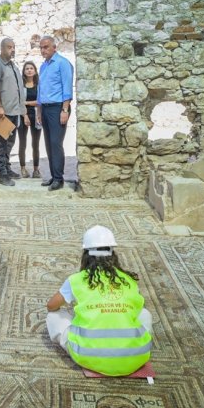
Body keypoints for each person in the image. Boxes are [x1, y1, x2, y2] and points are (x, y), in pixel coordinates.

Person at [46, 226, 152, 376]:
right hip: (136, 357)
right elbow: (136, 309)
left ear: (85, 255)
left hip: (87, 355)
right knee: (145, 313)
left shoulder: (76, 280)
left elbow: (51, 306)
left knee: (54, 316)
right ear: (113, 254)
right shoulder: (129, 280)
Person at [37, 35, 74, 191]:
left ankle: (59, 179)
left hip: (58, 108)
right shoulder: (43, 66)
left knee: (55, 143)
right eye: (41, 47)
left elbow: (67, 88)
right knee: (48, 143)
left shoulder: (62, 63)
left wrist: (64, 110)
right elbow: (40, 90)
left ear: (54, 47)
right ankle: (53, 176)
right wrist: (39, 110)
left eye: (46, 47)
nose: (43, 50)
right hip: (45, 108)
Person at [0, 37, 26, 186]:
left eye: (13, 47)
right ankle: (1, 173)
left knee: (10, 142)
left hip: (14, 110)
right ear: (2, 48)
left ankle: (7, 167)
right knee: (1, 143)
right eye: (9, 47)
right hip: (3, 112)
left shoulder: (12, 66)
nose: (12, 50)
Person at [17, 61, 42, 179]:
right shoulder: (20, 86)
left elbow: (41, 101)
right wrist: (25, 115)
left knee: (35, 144)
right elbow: (18, 102)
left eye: (31, 68)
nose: (29, 70)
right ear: (24, 71)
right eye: (27, 68)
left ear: (35, 71)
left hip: (37, 116)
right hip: (23, 116)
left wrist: (26, 102)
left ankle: (36, 170)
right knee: (22, 143)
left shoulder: (39, 85)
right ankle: (23, 168)